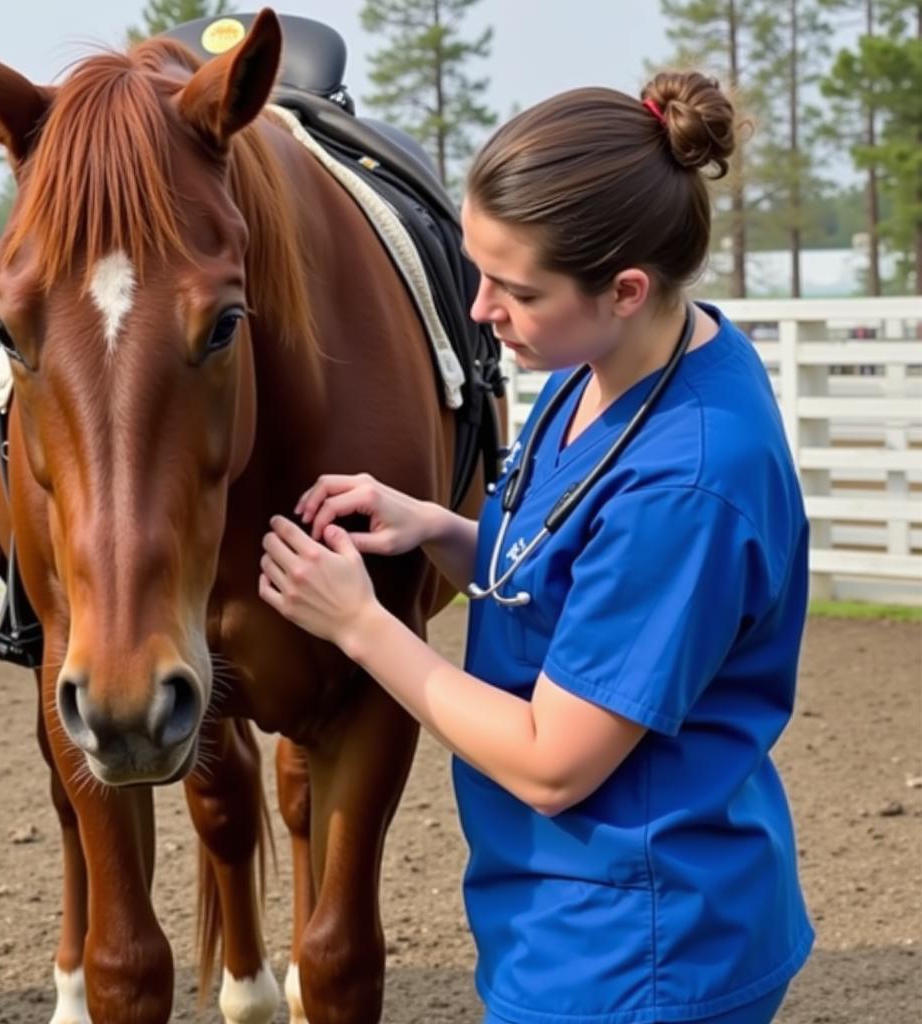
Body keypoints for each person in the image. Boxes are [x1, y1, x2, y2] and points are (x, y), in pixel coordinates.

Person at [259, 69, 814, 1024]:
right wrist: (441, 530)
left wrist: (361, 626)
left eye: (515, 288)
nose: (480, 310)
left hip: (639, 948)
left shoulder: (689, 482)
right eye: (477, 271)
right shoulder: (598, 364)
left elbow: (553, 761)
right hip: (565, 915)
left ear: (625, 287)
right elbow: (575, 575)